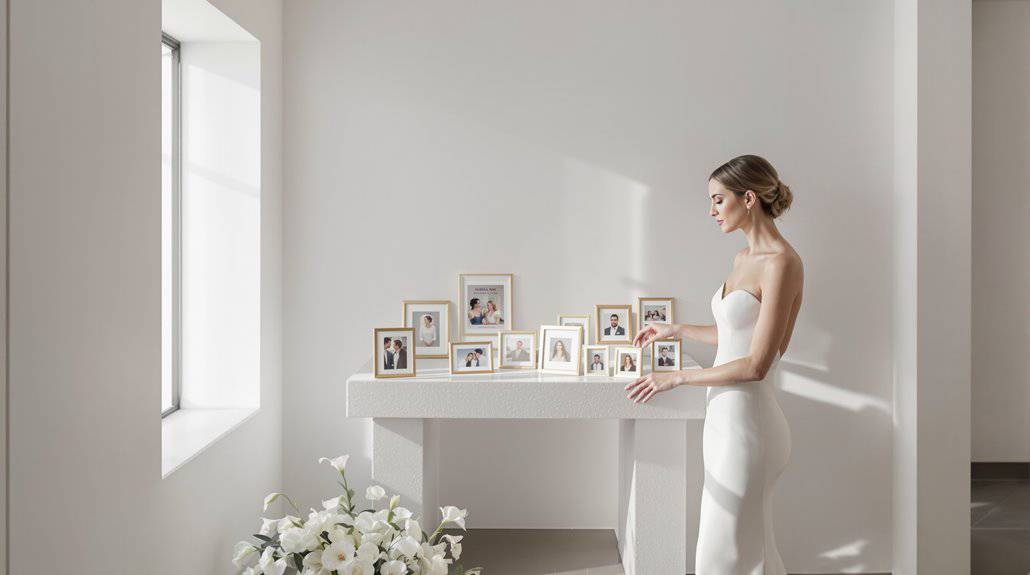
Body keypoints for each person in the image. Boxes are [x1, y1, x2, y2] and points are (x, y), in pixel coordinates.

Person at [626, 154, 801, 575]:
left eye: (718, 200)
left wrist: (678, 377)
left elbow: (758, 363)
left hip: (751, 423)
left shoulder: (782, 263)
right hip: (722, 418)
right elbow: (736, 333)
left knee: (722, 552)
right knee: (748, 547)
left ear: (749, 198)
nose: (711, 211)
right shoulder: (742, 259)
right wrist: (679, 329)